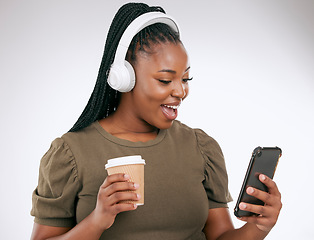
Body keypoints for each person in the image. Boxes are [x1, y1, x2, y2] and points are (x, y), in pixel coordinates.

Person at [30, 2, 282, 240]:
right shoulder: (70, 154)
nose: (180, 92)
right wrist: (97, 220)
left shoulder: (201, 147)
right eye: (165, 80)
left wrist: (258, 227)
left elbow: (220, 237)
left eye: (185, 79)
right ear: (124, 77)